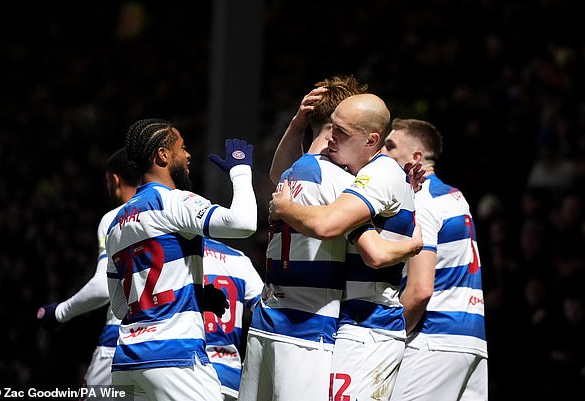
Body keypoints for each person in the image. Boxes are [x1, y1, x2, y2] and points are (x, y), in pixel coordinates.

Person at [239, 79, 421, 401]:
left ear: (370, 139)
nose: (332, 140)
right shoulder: (340, 177)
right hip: (326, 325)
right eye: (332, 129)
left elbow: (359, 244)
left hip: (361, 327)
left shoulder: (360, 176)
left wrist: (284, 206)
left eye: (343, 132)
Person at [105, 118, 258, 401]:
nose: (187, 155)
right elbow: (244, 223)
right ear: (163, 155)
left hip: (127, 360)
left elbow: (119, 306)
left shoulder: (116, 223)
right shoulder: (172, 201)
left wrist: (194, 295)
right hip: (174, 357)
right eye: (181, 148)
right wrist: (241, 171)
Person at [383, 118, 488, 401]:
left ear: (416, 157)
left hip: (435, 339)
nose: (383, 153)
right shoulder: (454, 196)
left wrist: (387, 340)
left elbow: (419, 290)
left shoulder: (423, 201)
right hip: (472, 341)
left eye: (390, 146)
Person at [36, 147, 141, 392]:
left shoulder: (116, 218)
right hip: (166, 344)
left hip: (120, 340)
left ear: (115, 179)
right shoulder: (169, 214)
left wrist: (59, 312)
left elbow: (103, 287)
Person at [202, 237, 263, 401]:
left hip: (185, 372)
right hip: (230, 376)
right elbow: (264, 311)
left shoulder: (171, 253)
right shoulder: (238, 258)